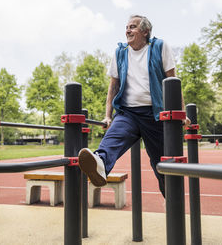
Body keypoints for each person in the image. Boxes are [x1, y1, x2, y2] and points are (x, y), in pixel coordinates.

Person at [78, 15, 190, 197]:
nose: (128, 30)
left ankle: (172, 201)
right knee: (111, 139)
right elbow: (113, 85)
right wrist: (108, 115)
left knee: (163, 166)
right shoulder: (120, 52)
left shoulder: (160, 47)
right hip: (128, 112)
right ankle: (100, 164)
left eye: (133, 27)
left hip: (155, 114)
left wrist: (181, 114)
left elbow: (173, 80)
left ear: (145, 31)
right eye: (127, 27)